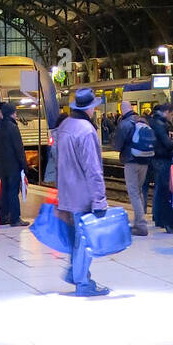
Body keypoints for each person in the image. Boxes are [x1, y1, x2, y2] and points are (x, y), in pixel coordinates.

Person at [55, 88, 111, 296]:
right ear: (90, 108)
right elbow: (93, 168)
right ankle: (82, 282)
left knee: (76, 238)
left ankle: (76, 273)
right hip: (83, 194)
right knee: (85, 239)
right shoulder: (86, 130)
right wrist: (99, 200)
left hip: (67, 192)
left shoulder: (65, 126)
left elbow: (58, 161)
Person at [0, 102, 31, 228]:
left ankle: (3, 217)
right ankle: (15, 218)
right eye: (15, 112)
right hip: (13, 165)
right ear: (12, 113)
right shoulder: (13, 128)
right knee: (13, 192)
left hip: (2, 165)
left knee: (4, 191)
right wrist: (24, 165)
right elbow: (19, 148)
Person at [113, 99, 151, 236]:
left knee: (133, 192)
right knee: (139, 190)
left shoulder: (125, 124)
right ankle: (140, 219)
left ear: (122, 110)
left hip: (131, 161)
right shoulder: (143, 120)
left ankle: (140, 224)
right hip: (145, 160)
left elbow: (117, 146)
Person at [149, 102, 173, 229]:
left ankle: (156, 216)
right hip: (162, 159)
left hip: (156, 158)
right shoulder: (160, 124)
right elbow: (167, 143)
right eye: (172, 114)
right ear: (167, 112)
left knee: (159, 188)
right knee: (162, 189)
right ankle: (160, 218)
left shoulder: (154, 122)